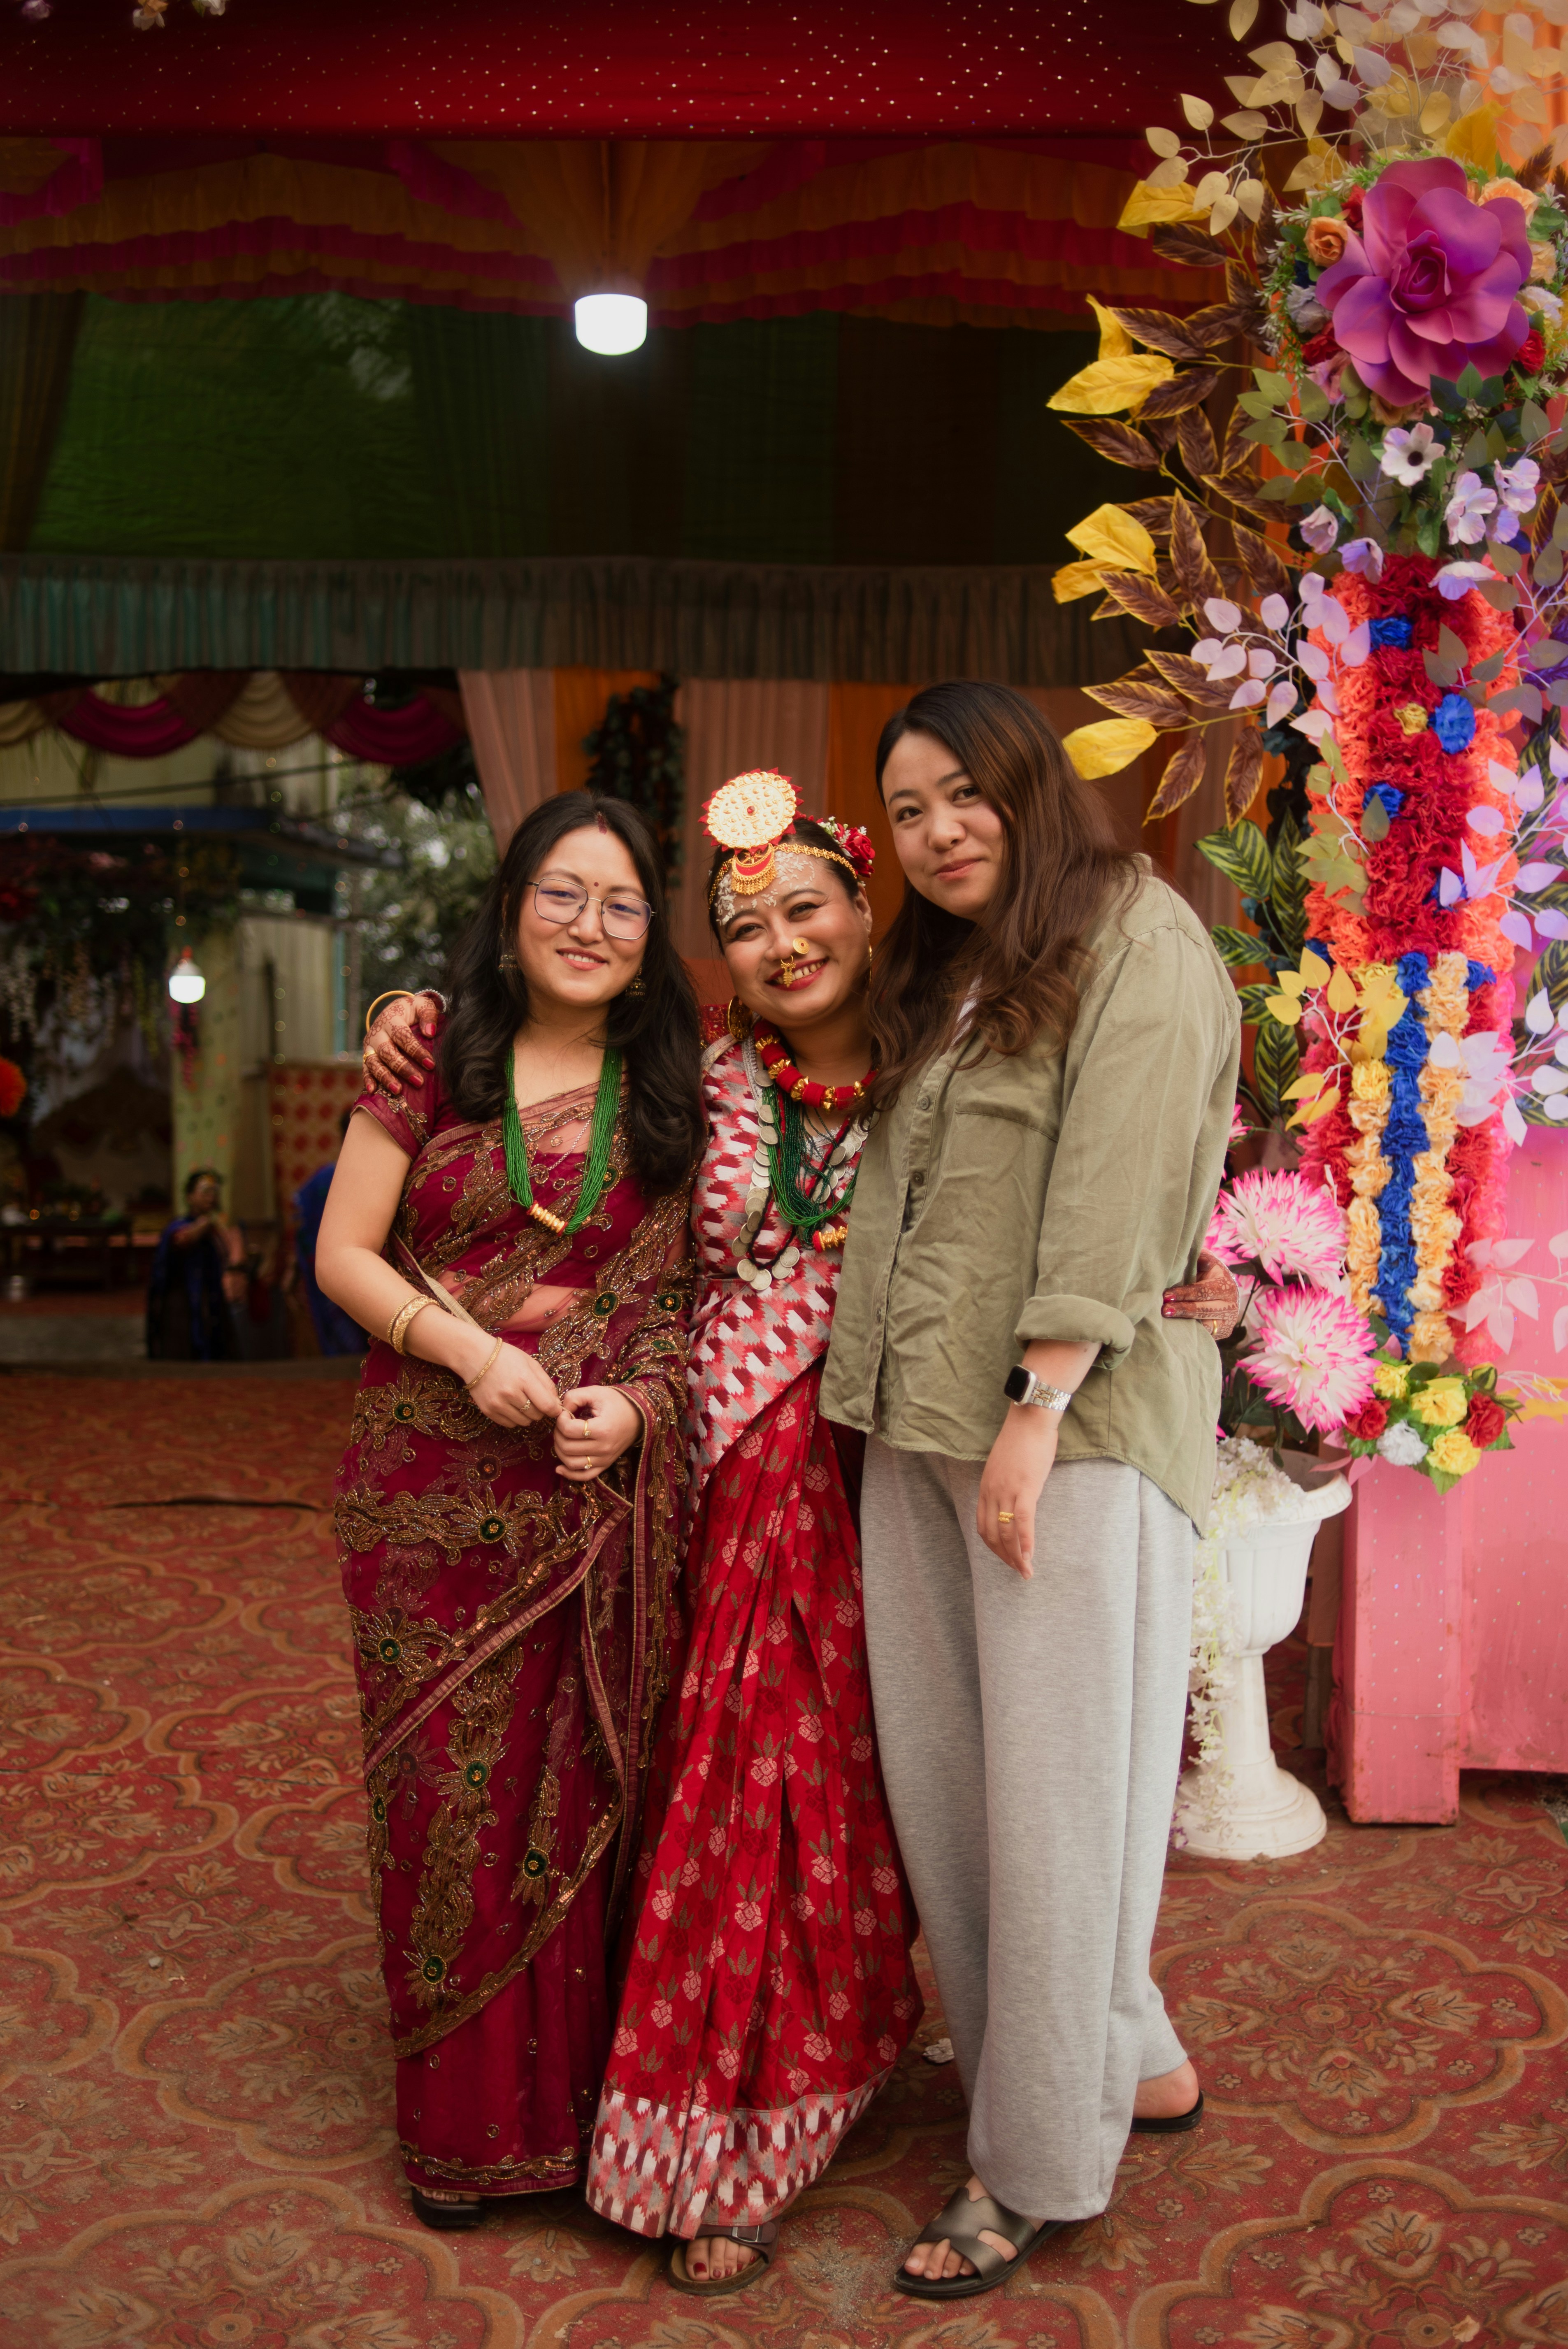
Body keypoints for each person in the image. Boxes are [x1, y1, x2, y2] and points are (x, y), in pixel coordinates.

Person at [361, 760, 1239, 2291]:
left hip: (928, 1455)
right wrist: (405, 1018)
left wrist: (1182, 1281)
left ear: (862, 910)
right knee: (762, 1793)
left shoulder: (941, 1042)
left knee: (1007, 1782)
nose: (779, 945)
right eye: (743, 925)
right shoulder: (698, 1084)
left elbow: (1080, 1164)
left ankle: (1099, 2047)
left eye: (808, 906)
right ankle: (734, 2113)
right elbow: (635, 1246)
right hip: (742, 1492)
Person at [818, 682, 1241, 2301]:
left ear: (1027, 784)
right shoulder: (958, 966)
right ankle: (1121, 2053)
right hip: (919, 1422)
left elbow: (1117, 1190)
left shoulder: (1141, 937)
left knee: (1054, 1814)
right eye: (905, 808)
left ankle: (1031, 2166)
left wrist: (1032, 1417)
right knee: (958, 1798)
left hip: (1054, 1437)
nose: (934, 831)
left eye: (960, 794)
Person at [315, 790, 702, 2228]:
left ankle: (583, 2121)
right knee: (445, 1805)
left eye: (620, 901)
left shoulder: (678, 1093)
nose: (589, 924)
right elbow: (346, 1251)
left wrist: (638, 1409)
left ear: (654, 932)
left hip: (588, 1499)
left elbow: (685, 1303)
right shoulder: (433, 1055)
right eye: (560, 892)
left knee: (590, 1793)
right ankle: (465, 2131)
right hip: (425, 1492)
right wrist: (471, 1348)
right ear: (511, 904)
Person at [145, 1166, 244, 1360]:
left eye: (214, 1193)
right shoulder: (180, 1226)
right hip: (183, 1299)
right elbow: (182, 1240)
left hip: (211, 1295)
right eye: (206, 1192)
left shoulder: (215, 1229)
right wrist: (204, 1225)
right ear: (190, 1197)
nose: (211, 1198)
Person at [293, 1109, 365, 1355]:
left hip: (331, 1269)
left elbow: (301, 1228)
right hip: (366, 1267)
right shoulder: (328, 1180)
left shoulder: (321, 1180)